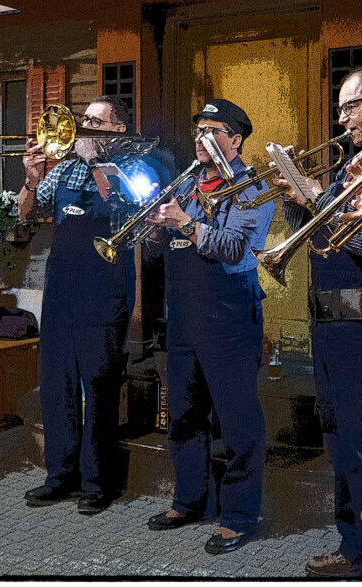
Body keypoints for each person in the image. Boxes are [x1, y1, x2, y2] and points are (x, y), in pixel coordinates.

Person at [145, 99, 274, 554]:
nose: (201, 138)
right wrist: (157, 226)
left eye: (212, 130)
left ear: (235, 139)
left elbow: (237, 249)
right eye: (198, 129)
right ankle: (189, 500)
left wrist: (184, 222)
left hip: (229, 314)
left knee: (238, 421)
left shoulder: (252, 185)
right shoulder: (188, 182)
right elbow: (162, 247)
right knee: (183, 414)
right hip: (183, 312)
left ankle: (238, 516)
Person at [18, 95, 158, 515]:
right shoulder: (63, 168)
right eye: (85, 120)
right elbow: (27, 213)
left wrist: (95, 161)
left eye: (96, 122)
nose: (84, 127)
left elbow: (130, 205)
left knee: (99, 384)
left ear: (117, 129)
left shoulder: (136, 167)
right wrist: (31, 179)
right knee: (57, 382)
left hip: (105, 286)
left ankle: (98, 482)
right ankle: (60, 476)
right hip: (62, 287)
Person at [274, 68, 362, 577]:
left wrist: (314, 194)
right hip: (329, 323)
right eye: (342, 106)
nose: (342, 117)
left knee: (357, 442)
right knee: (338, 440)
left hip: (357, 327)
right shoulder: (349, 167)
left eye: (352, 105)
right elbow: (321, 239)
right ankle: (352, 543)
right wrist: (294, 199)